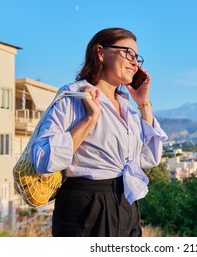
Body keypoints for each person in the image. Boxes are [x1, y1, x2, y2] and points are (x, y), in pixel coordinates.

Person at [31, 27, 168, 237]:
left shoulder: (127, 107)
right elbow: (42, 160)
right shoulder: (74, 95)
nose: (135, 62)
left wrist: (143, 103)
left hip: (126, 203)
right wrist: (89, 119)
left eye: (137, 57)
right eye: (128, 53)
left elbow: (149, 158)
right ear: (101, 52)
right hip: (87, 207)